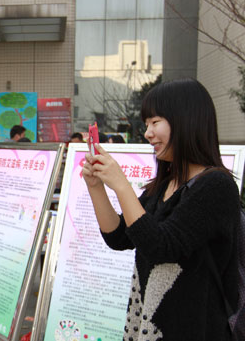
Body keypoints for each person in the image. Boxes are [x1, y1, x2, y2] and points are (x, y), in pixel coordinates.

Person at [82, 78, 239, 341]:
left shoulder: (216, 186)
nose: (147, 133)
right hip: (150, 326)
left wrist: (121, 185)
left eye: (155, 122)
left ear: (186, 120)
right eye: (146, 124)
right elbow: (119, 236)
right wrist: (96, 187)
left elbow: (161, 247)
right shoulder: (165, 185)